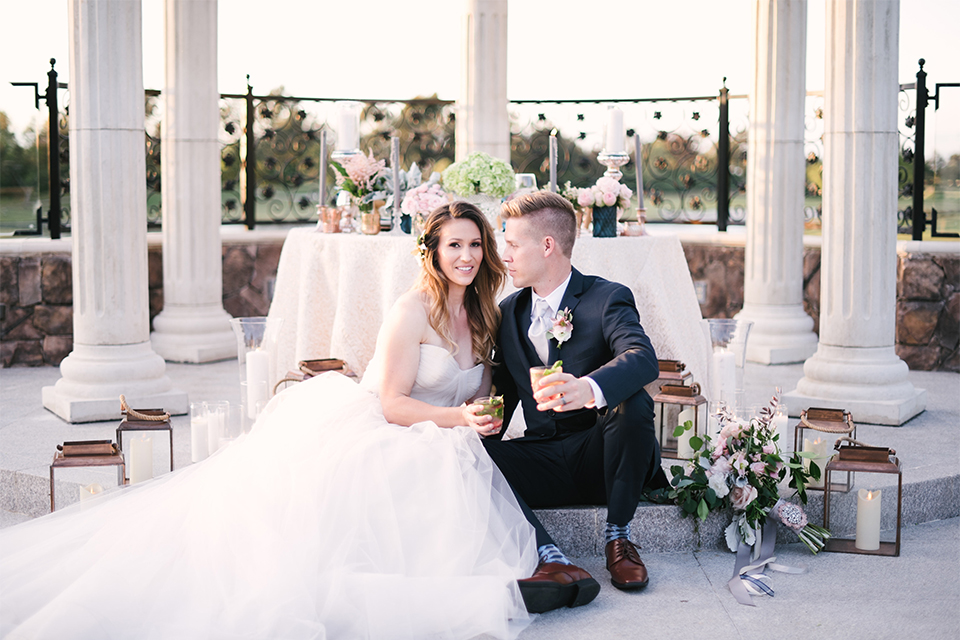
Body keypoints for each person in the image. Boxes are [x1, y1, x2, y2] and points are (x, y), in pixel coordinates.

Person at [0, 202, 538, 640]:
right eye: (454, 245)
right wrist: (457, 419)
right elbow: (392, 404)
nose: (466, 256)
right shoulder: (411, 310)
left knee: (451, 469)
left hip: (442, 431)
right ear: (433, 252)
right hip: (386, 426)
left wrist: (481, 417)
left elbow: (482, 391)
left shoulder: (487, 310)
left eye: (474, 244)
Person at [483, 190, 669, 614]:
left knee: (632, 402)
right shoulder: (508, 312)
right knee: (469, 454)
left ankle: (619, 537)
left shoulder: (607, 298)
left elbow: (642, 359)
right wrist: (482, 419)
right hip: (545, 456)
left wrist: (588, 389)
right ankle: (549, 558)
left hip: (601, 456)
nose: (504, 255)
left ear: (547, 245)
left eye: (512, 244)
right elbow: (504, 392)